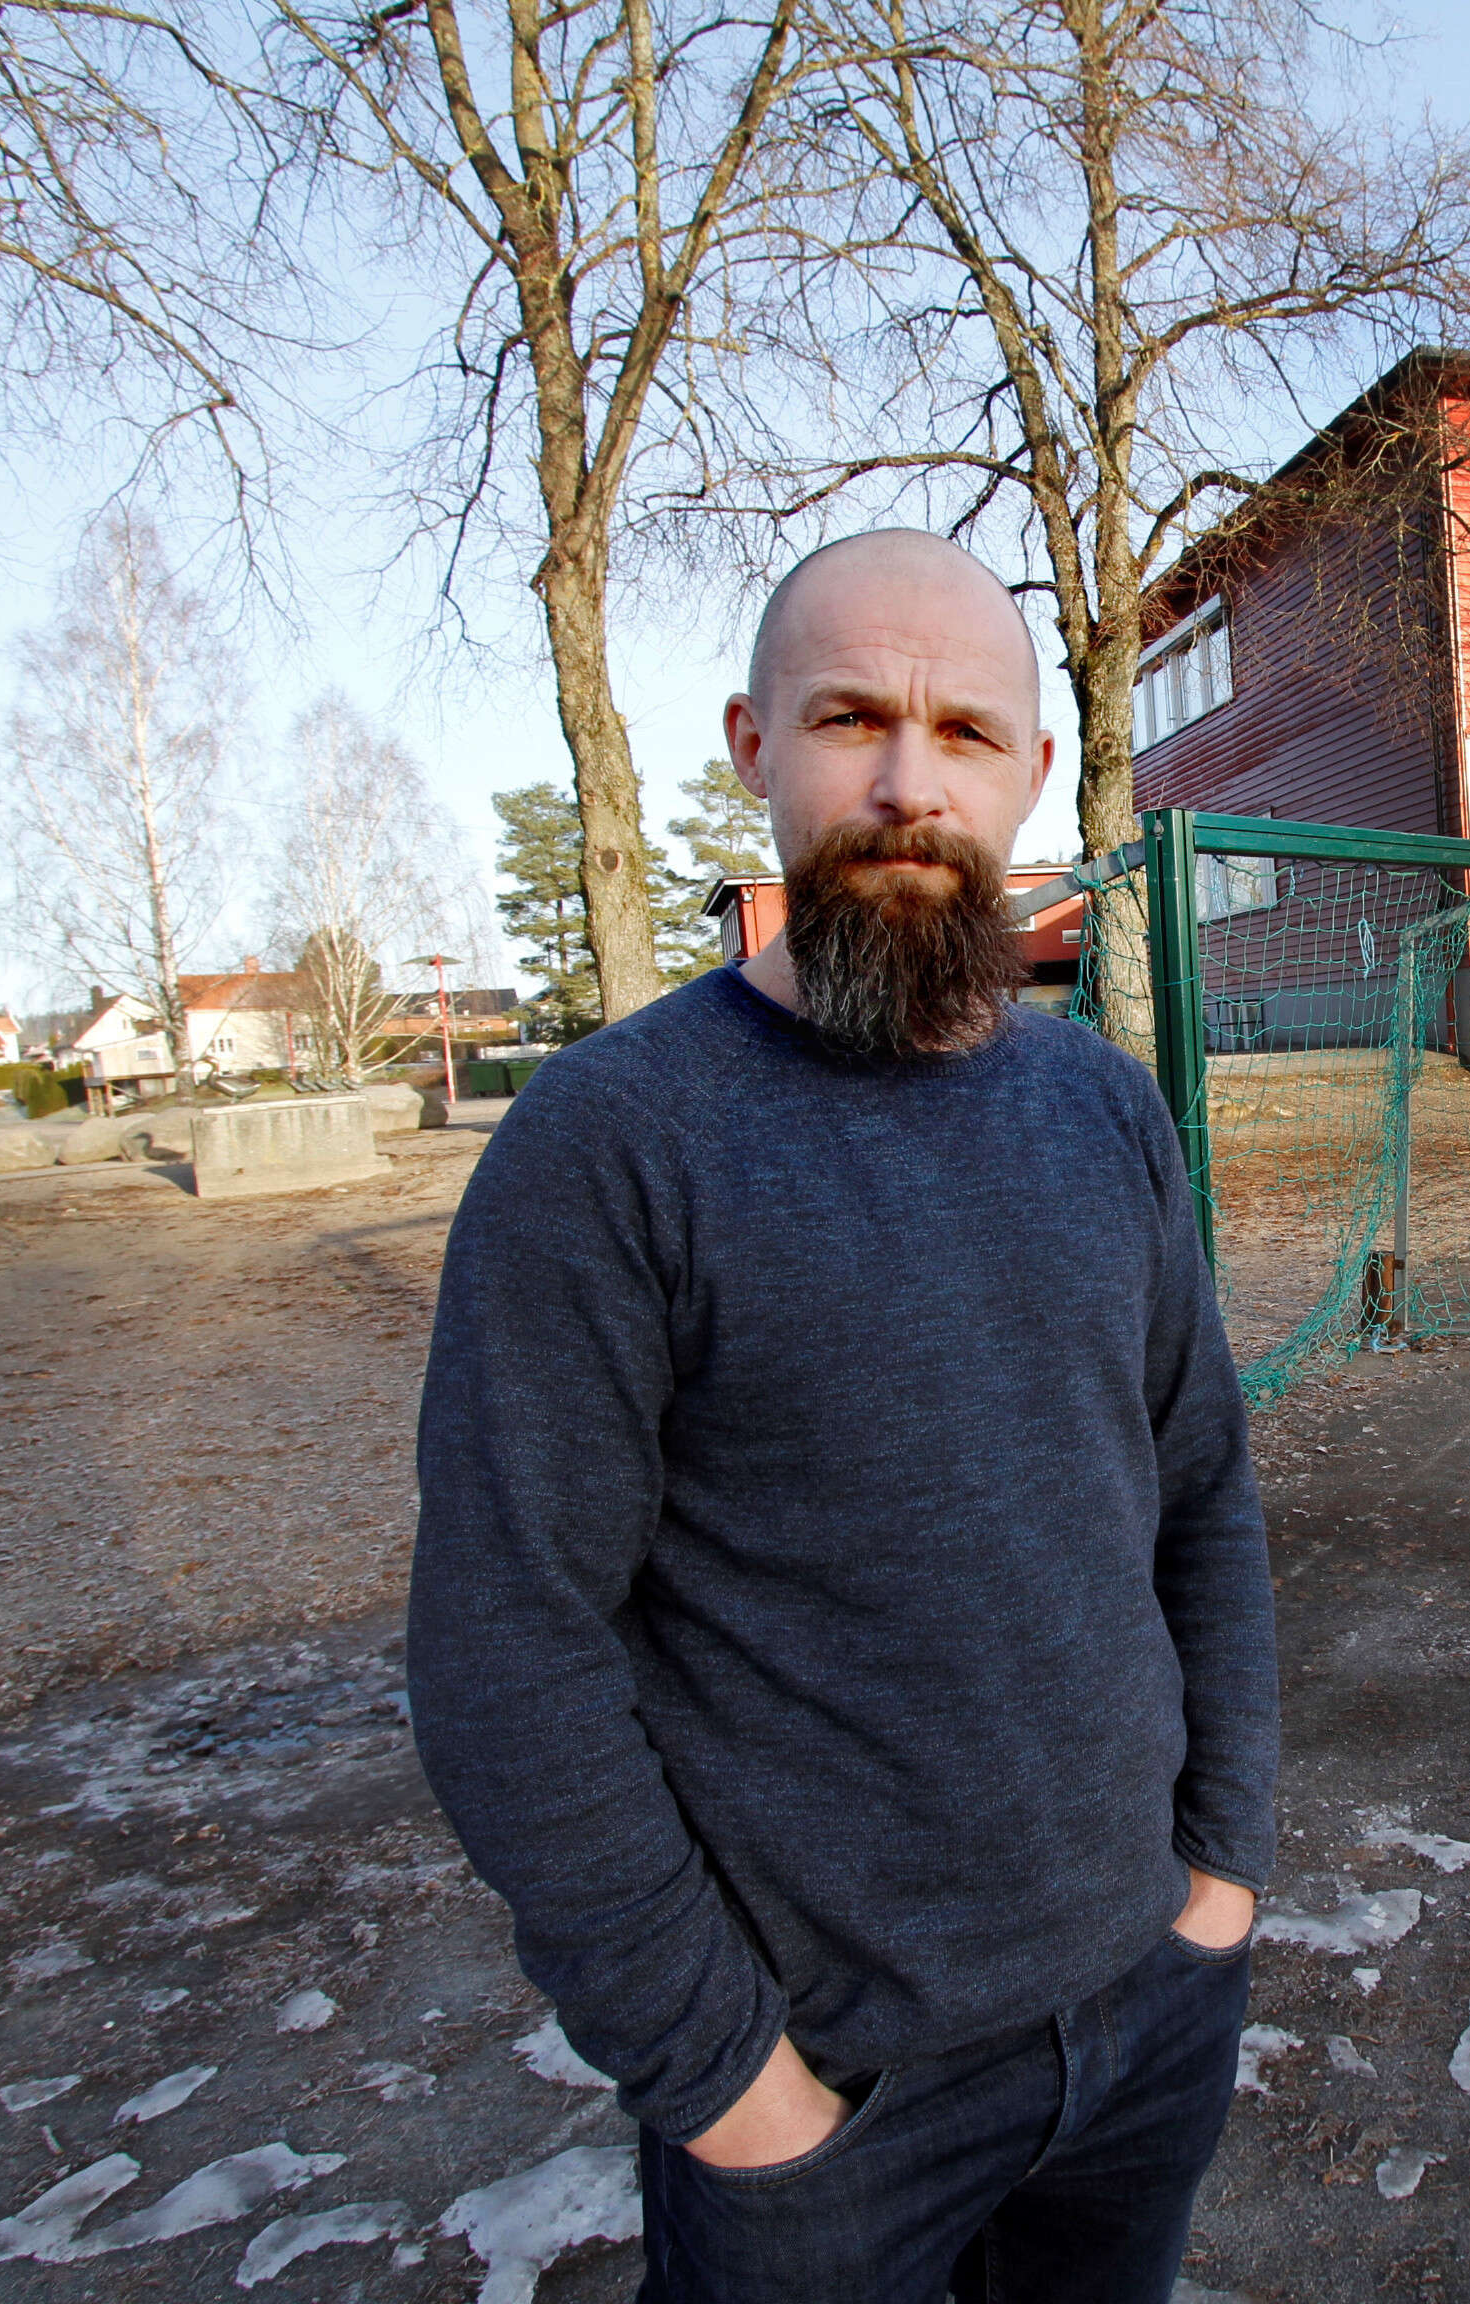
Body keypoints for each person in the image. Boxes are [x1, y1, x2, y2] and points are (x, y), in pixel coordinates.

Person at [410, 527, 1279, 2304]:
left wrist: (1222, 1882)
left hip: (1147, 2018)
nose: (906, 785)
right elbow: (509, 1645)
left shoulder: (1106, 1115)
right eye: (848, 719)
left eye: (964, 732)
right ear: (754, 746)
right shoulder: (610, 1146)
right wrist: (731, 2086)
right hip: (829, 2113)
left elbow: (1201, 1497)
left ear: (1034, 772)